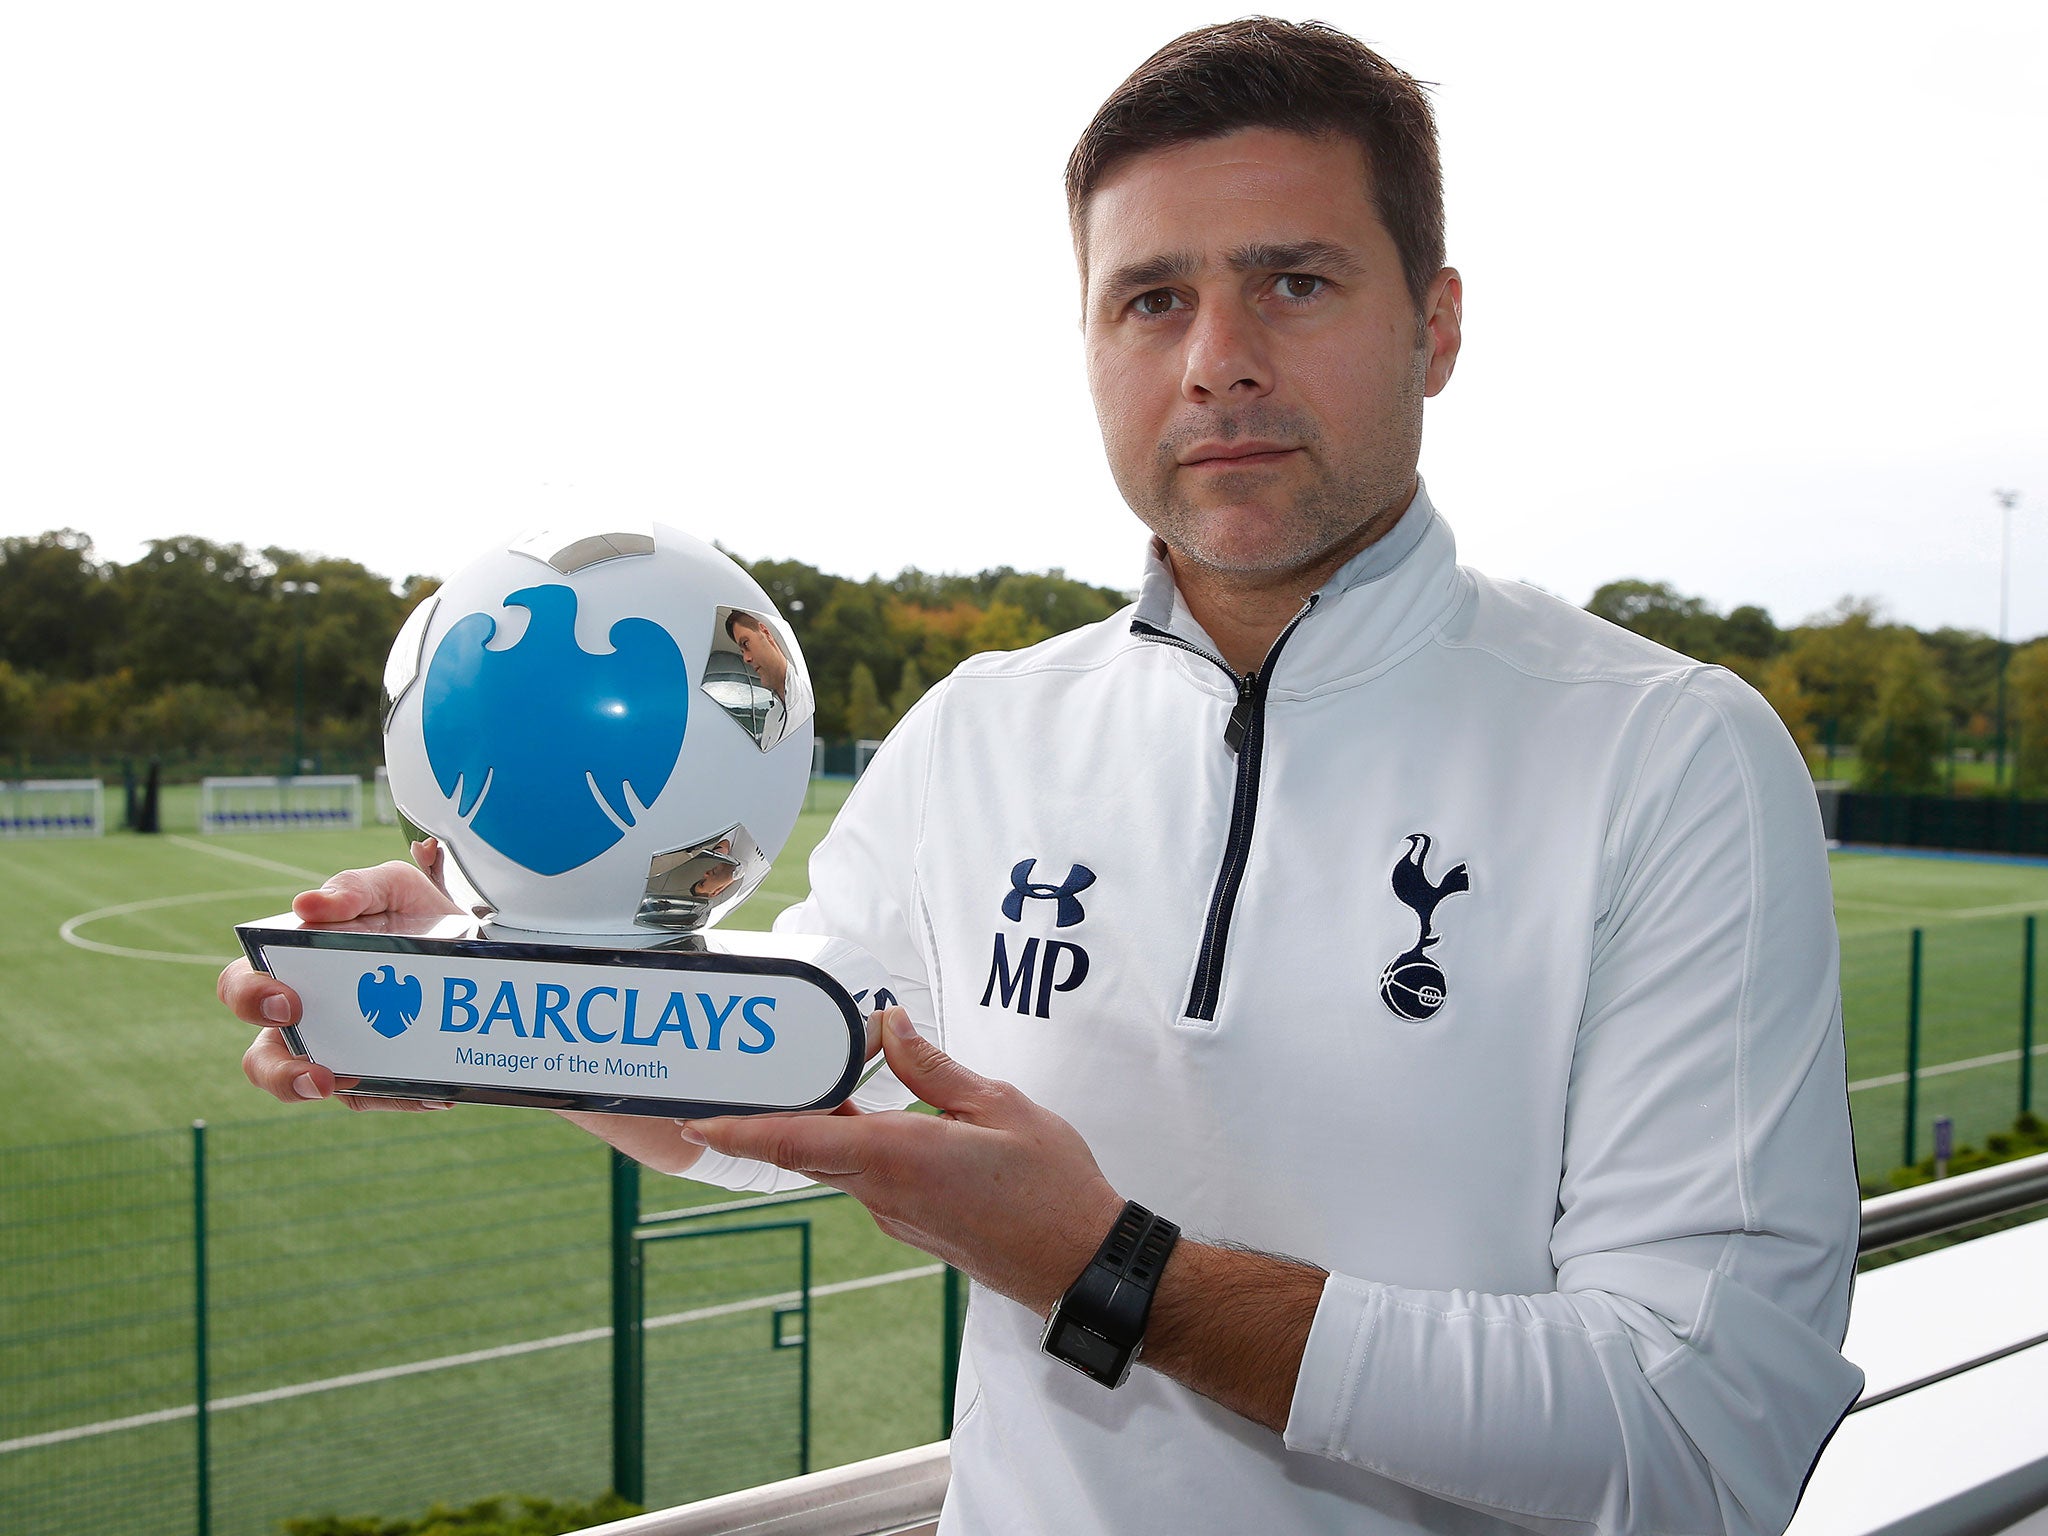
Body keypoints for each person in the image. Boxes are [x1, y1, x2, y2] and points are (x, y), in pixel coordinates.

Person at [222, 19, 1862, 1535]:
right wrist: (487, 984)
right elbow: (798, 1081)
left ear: (1433, 323)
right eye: (1150, 298)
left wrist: (1105, 1270)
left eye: (1292, 283)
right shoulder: (978, 732)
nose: (1214, 358)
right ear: (1087, 341)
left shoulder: (1666, 753)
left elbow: (1701, 1433)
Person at [725, 607, 811, 748]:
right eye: (742, 651)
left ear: (765, 632)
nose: (746, 658)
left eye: (746, 644)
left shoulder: (806, 698)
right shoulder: (772, 718)